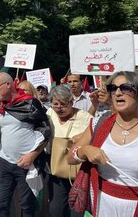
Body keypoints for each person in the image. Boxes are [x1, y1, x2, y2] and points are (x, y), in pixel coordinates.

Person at [67, 71, 138, 217]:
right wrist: (86, 151)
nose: (118, 93)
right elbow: (70, 158)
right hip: (102, 206)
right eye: (113, 88)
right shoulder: (97, 124)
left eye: (125, 88)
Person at [0, 73, 51, 217]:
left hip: (25, 164)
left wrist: (32, 156)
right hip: (4, 162)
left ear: (8, 85)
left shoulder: (30, 103)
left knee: (27, 205)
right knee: (0, 204)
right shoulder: (0, 107)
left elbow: (46, 131)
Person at [46, 85, 91, 217]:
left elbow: (95, 134)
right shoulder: (49, 114)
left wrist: (82, 138)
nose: (59, 107)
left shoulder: (85, 117)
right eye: (55, 104)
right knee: (56, 209)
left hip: (78, 171)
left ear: (71, 102)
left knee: (76, 210)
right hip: (57, 171)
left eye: (63, 104)